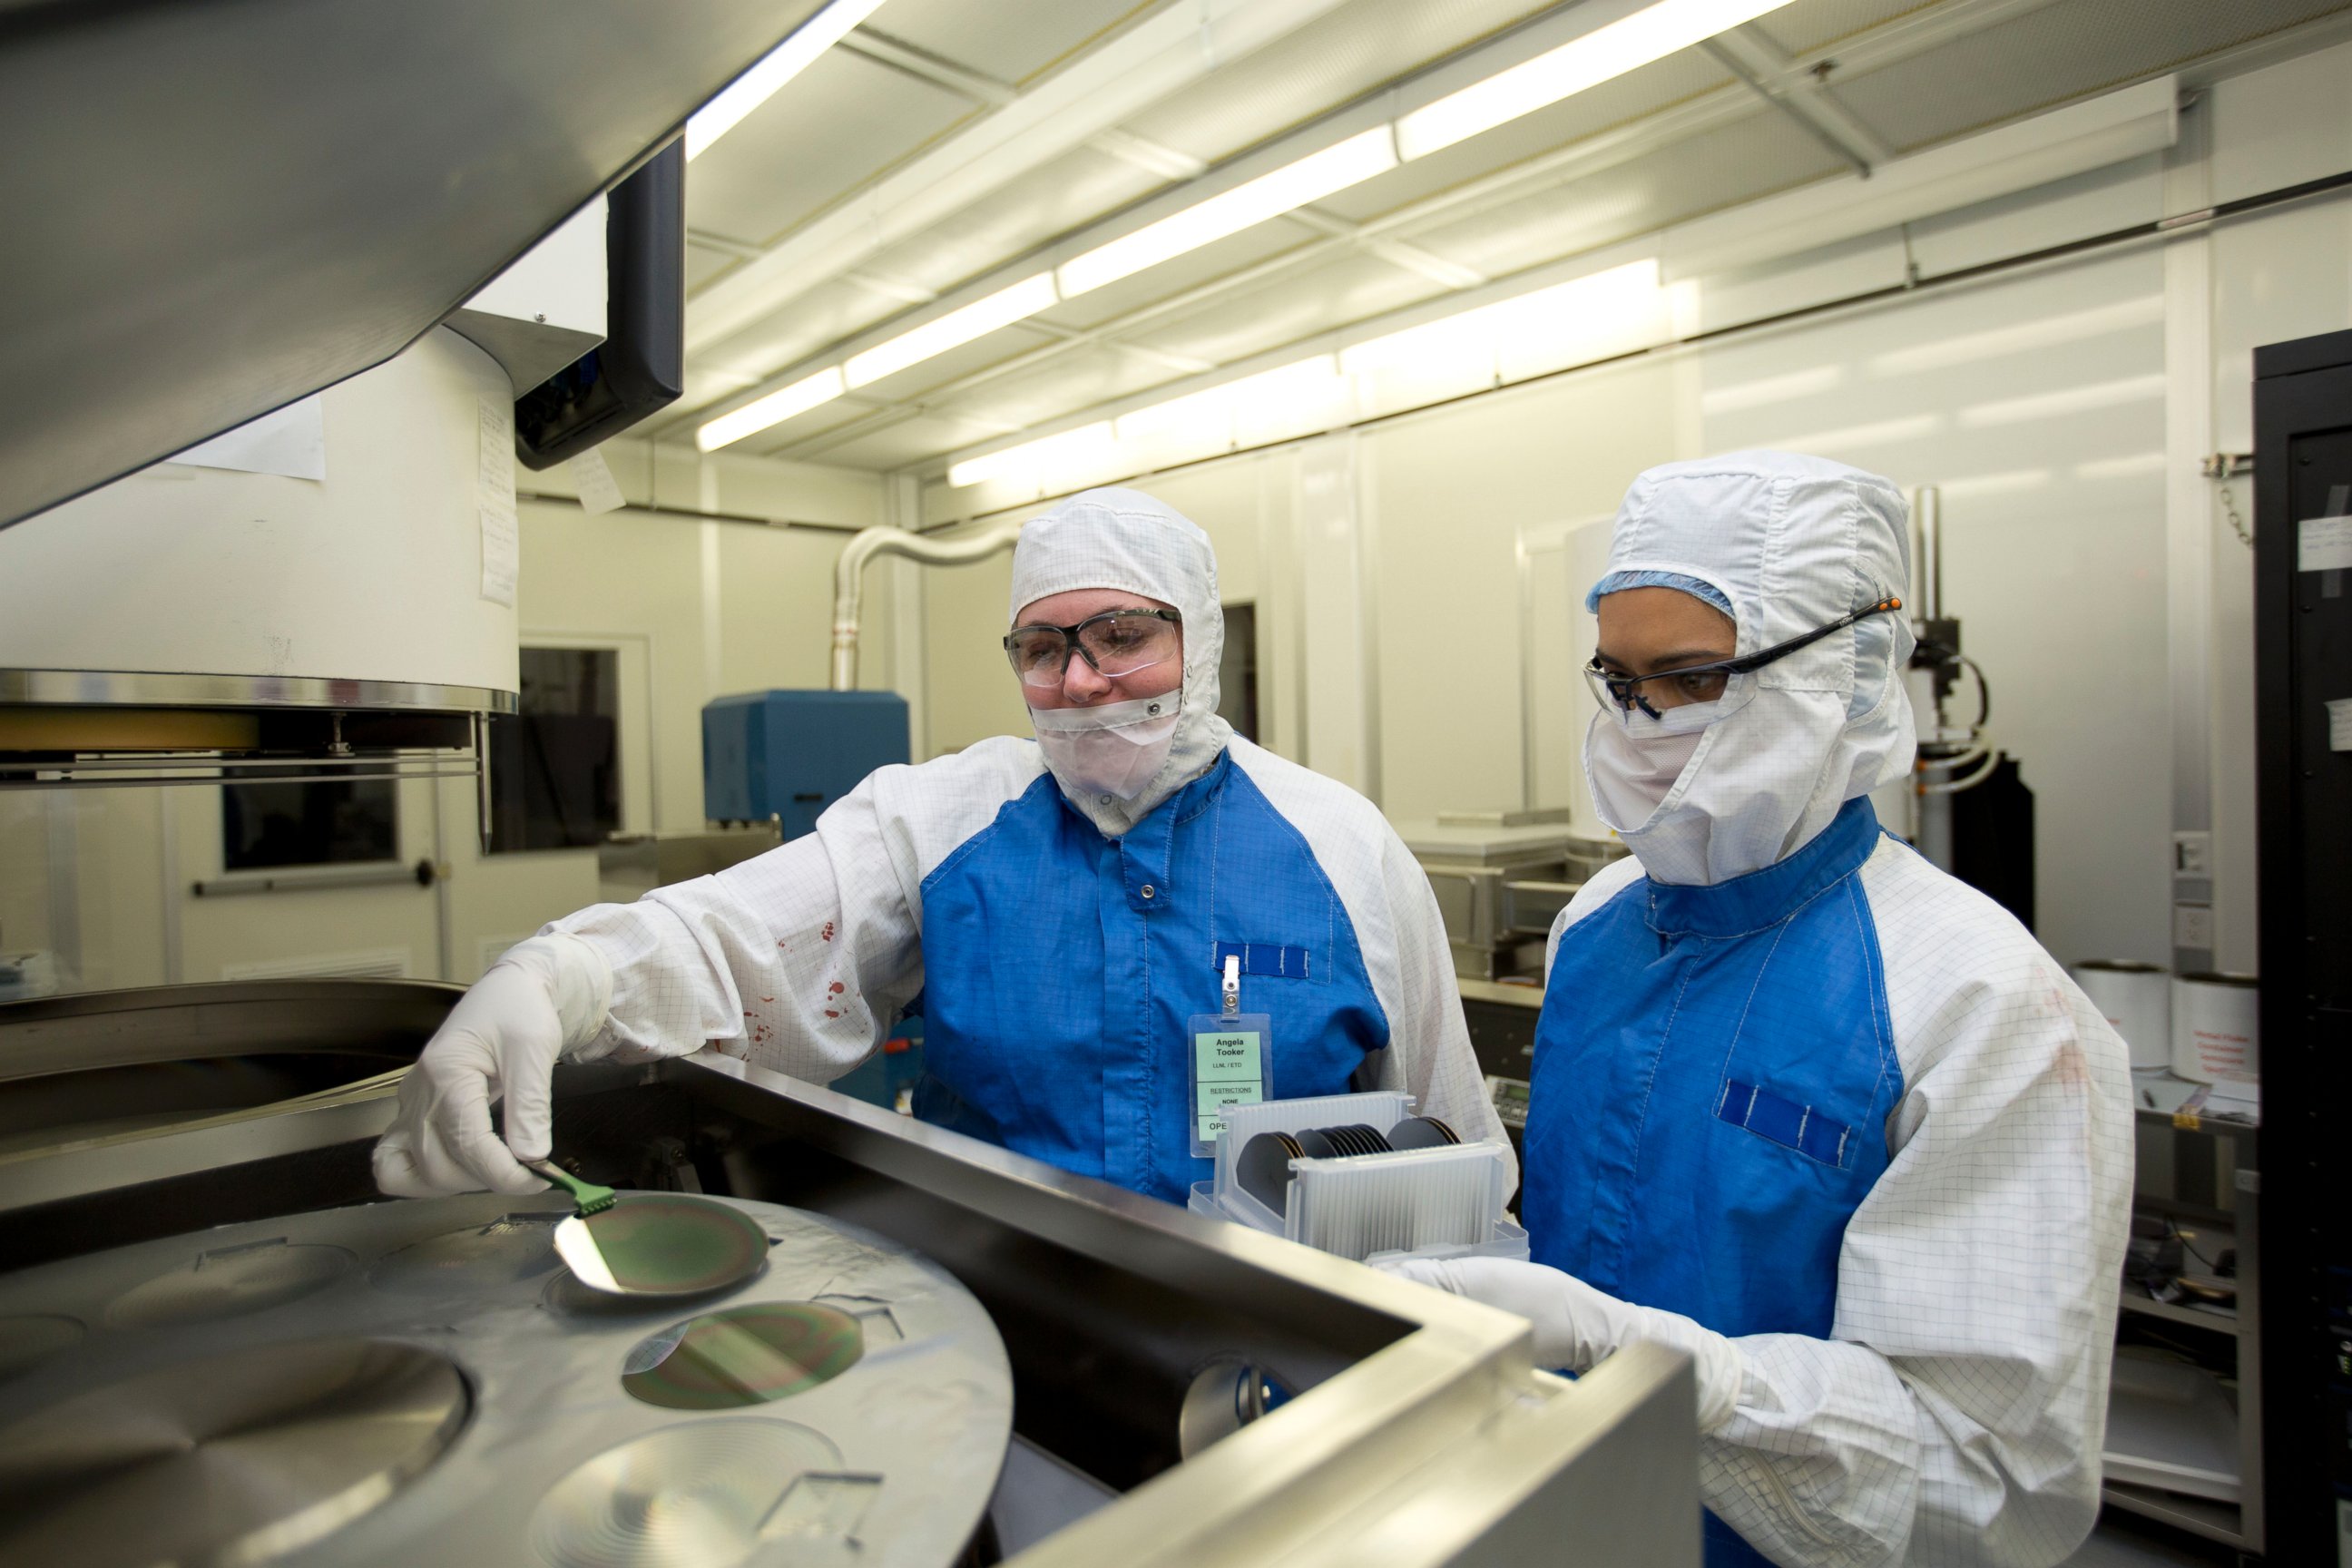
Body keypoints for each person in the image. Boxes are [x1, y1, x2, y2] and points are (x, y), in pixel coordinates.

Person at [1386, 452, 2132, 1567]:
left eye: (1695, 679)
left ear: (1855, 671)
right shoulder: (1598, 926)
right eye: (1621, 680)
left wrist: (1648, 1365)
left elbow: (1983, 1480)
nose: (1644, 726)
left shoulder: (1980, 999)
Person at [375, 486, 1507, 1205]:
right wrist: (562, 976)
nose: (1080, 680)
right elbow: (735, 936)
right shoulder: (943, 819)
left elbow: (1450, 1142)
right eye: (1044, 646)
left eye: (1124, 636)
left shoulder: (1342, 849)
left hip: (1294, 1349)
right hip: (1008, 1325)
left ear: (1198, 639)